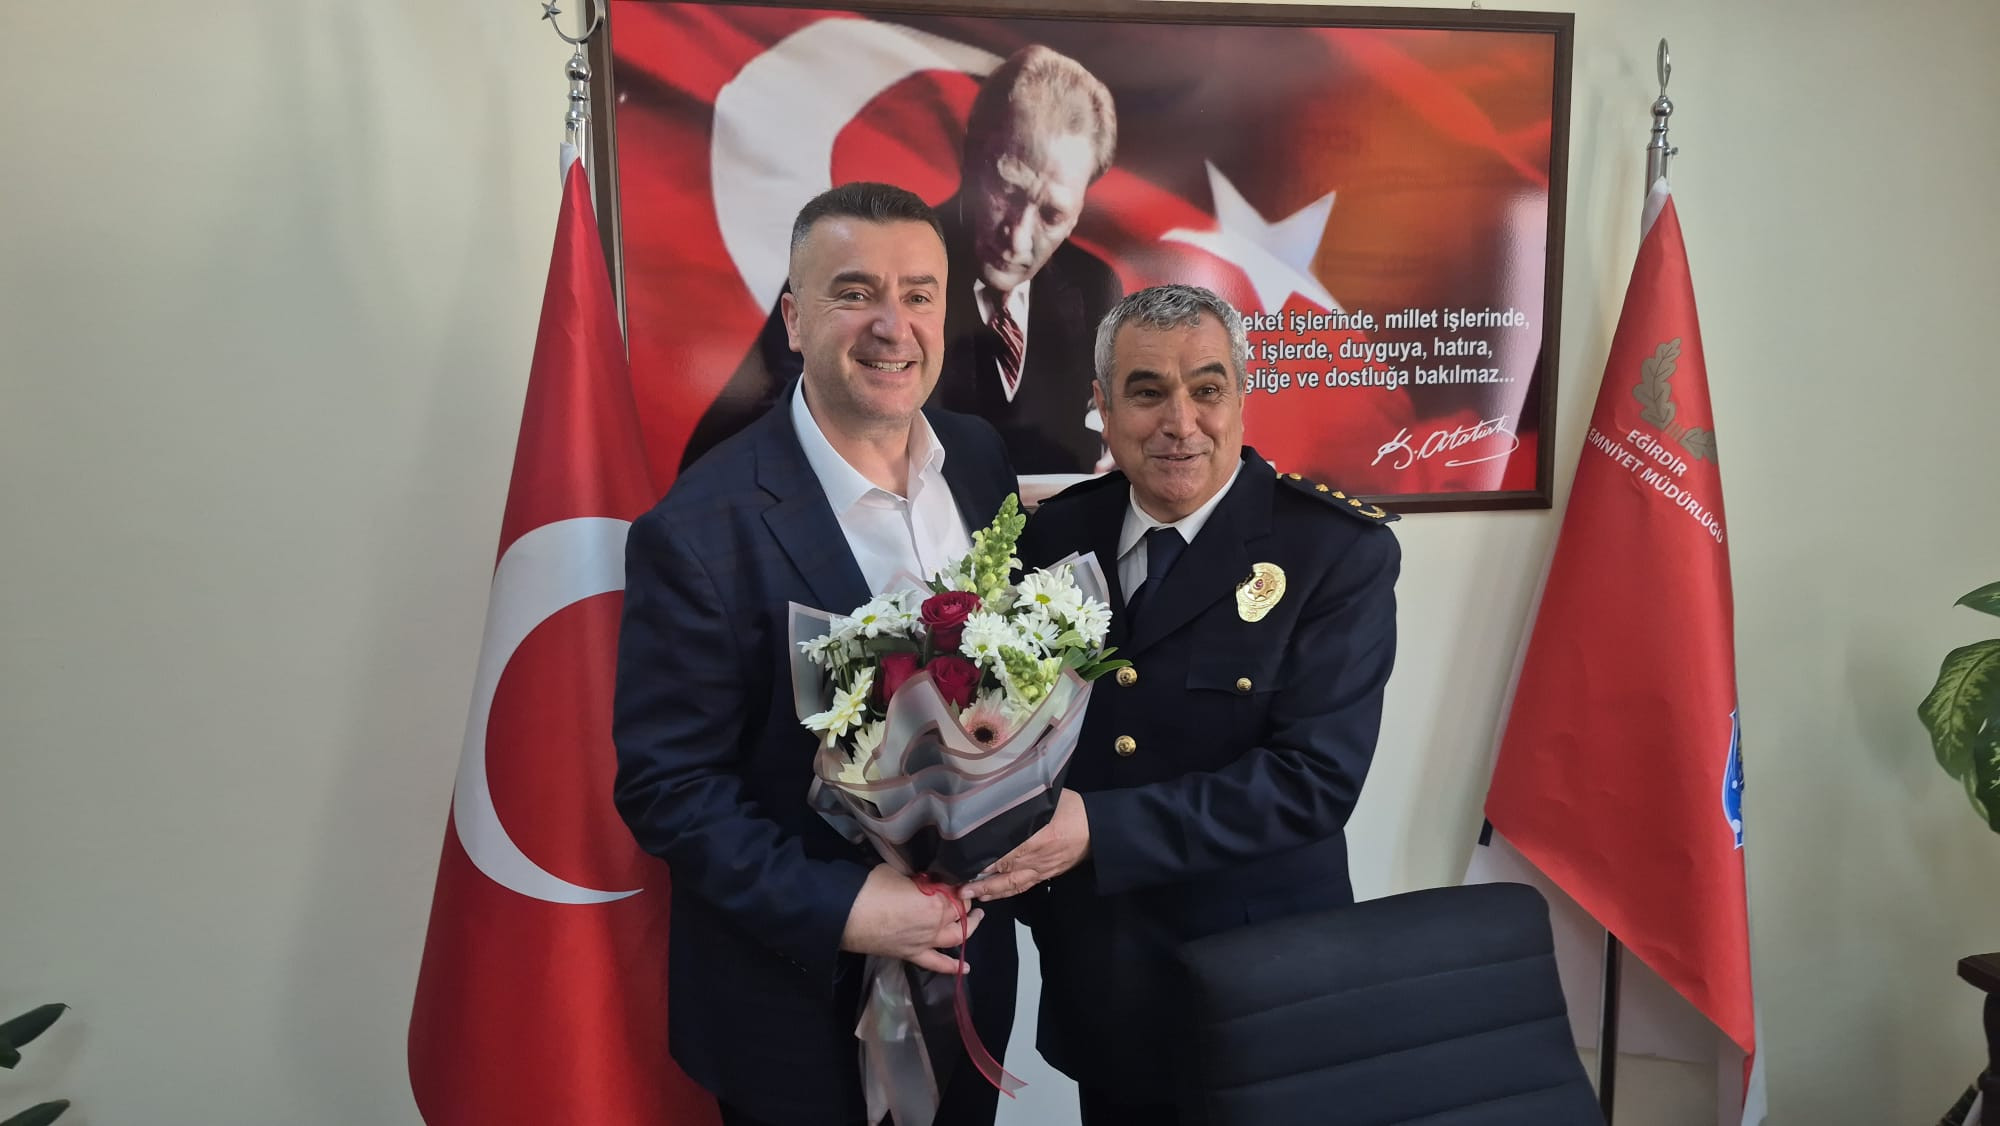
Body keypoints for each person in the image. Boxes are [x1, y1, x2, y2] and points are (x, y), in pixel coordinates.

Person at [613, 182, 1021, 1126]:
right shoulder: (696, 529)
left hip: (968, 980)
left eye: (918, 295)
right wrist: (846, 908)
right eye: (855, 292)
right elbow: (670, 788)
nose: (893, 325)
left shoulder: (979, 460)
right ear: (795, 320)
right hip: (793, 1014)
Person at [963, 284, 1402, 1124]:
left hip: (1260, 985)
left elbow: (1314, 782)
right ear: (1101, 406)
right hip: (1106, 974)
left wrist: (1099, 828)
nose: (1180, 422)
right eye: (1147, 391)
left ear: (1242, 396)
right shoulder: (1053, 537)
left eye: (1207, 389)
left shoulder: (1333, 551)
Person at [681, 45, 1122, 475]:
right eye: (1008, 187)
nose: (1018, 235)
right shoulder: (851, 265)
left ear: (1080, 210)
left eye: (1052, 214)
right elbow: (727, 454)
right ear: (970, 154)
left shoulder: (1091, 287)